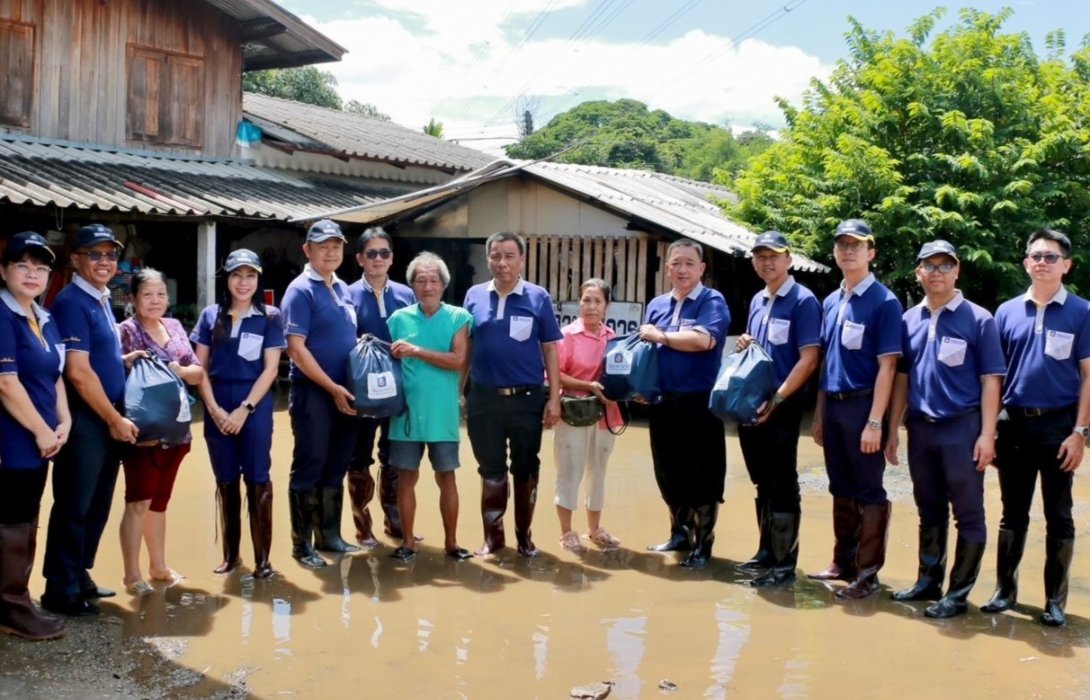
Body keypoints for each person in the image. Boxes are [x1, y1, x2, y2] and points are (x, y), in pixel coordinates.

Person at [885, 241, 1005, 618]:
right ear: (918, 272)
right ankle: (928, 582)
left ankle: (957, 594)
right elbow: (902, 379)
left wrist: (987, 434)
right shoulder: (909, 319)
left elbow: (991, 380)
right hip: (921, 427)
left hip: (962, 427)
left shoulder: (980, 319)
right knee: (928, 507)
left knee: (968, 513)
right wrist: (892, 429)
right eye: (929, 266)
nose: (937, 272)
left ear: (957, 272)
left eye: (944, 265)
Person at [983, 228, 1090, 627]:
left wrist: (1080, 433)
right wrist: (989, 429)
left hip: (1060, 426)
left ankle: (1054, 600)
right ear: (1026, 263)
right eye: (1036, 256)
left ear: (1067, 265)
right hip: (1013, 425)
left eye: (1051, 256)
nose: (1042, 262)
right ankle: (1004, 590)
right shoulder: (1007, 312)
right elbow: (994, 376)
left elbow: (1088, 375)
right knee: (1012, 514)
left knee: (1059, 514)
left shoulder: (1082, 312)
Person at [43, 224, 140, 617]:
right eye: (95, 254)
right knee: (74, 503)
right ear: (76, 260)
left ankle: (78, 572)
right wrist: (114, 418)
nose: (104, 262)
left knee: (98, 502)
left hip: (107, 417)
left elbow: (100, 360)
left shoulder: (101, 300)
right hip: (87, 420)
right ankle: (59, 589)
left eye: (110, 255)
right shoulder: (71, 303)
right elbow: (79, 373)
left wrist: (123, 363)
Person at [809, 219, 903, 599]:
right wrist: (818, 415)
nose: (848, 251)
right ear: (835, 252)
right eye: (842, 245)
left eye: (856, 245)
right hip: (833, 407)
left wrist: (876, 422)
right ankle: (841, 562)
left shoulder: (884, 301)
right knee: (840, 486)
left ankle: (867, 575)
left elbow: (888, 366)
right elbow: (825, 362)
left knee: (869, 490)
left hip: (864, 407)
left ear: (871, 253)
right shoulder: (832, 301)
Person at [463, 231, 562, 557]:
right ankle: (493, 539)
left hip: (526, 399)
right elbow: (467, 347)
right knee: (490, 469)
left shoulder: (538, 297)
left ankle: (524, 538)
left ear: (522, 260)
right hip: (484, 398)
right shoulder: (474, 296)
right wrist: (458, 392)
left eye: (509, 256)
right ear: (488, 258)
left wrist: (554, 398)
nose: (502, 263)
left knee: (525, 466)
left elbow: (549, 348)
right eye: (495, 255)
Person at [192, 249, 286, 580]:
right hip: (217, 404)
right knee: (226, 478)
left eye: (250, 275)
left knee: (258, 477)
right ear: (226, 279)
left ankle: (263, 560)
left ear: (258, 280)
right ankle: (231, 556)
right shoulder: (210, 316)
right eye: (236, 275)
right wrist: (215, 411)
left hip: (254, 406)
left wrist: (244, 409)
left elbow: (271, 369)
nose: (243, 282)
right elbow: (198, 368)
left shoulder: (270, 316)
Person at [734, 231, 821, 586]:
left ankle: (784, 565)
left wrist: (779, 399)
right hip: (752, 402)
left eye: (774, 256)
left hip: (783, 404)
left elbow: (809, 358)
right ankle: (766, 552)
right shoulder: (757, 300)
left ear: (788, 260)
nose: (766, 262)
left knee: (783, 480)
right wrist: (745, 341)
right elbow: (756, 349)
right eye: (760, 257)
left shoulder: (803, 300)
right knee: (761, 480)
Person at [639, 239, 730, 568]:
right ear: (667, 268)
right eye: (675, 263)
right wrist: (640, 387)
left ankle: (703, 546)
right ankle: (679, 534)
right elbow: (646, 353)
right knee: (668, 471)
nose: (682, 269)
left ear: (702, 269)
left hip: (700, 403)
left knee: (703, 475)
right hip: (663, 403)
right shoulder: (657, 305)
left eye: (689, 263)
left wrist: (662, 336)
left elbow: (705, 340)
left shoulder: (711, 301)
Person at [117, 269, 204, 594]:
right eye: (147, 295)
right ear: (133, 299)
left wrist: (181, 370)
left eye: (161, 294)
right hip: (144, 435)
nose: (155, 301)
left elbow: (197, 372)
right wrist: (125, 361)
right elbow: (109, 371)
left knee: (160, 503)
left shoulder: (176, 327)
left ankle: (159, 566)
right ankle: (131, 576)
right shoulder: (125, 331)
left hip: (178, 433)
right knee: (137, 502)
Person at [282, 219, 361, 569]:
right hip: (315, 393)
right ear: (307, 250)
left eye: (336, 245)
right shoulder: (300, 290)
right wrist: (331, 388)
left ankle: (330, 536)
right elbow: (296, 349)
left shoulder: (342, 287)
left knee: (337, 464)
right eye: (323, 245)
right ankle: (303, 546)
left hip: (346, 392)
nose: (331, 251)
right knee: (308, 466)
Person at [0, 233, 68, 640]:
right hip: (13, 438)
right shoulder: (3, 315)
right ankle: (10, 607)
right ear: (4, 271)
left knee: (26, 519)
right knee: (11, 521)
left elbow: (54, 374)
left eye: (41, 268)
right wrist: (43, 430)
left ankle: (18, 598)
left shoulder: (43, 317)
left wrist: (64, 422)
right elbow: (6, 384)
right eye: (23, 265)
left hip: (42, 438)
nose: (33, 274)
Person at [386, 252, 473, 561]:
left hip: (443, 413)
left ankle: (451, 543)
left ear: (443, 284)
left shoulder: (459, 317)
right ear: (412, 285)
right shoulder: (397, 320)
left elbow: (458, 360)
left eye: (433, 280)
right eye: (420, 281)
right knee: (406, 478)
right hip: (405, 413)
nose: (427, 287)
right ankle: (408, 542)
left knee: (446, 477)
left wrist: (416, 351)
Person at [346, 227, 416, 548]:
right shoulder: (346, 295)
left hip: (397, 391)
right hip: (362, 392)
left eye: (383, 253)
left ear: (392, 258)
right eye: (371, 253)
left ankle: (395, 521)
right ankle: (363, 526)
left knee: (393, 455)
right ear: (360, 259)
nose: (378, 259)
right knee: (359, 457)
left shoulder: (405, 295)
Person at [553, 278, 623, 553]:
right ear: (578, 303)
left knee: (599, 473)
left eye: (597, 301)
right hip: (574, 413)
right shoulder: (566, 335)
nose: (591, 306)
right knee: (569, 471)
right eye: (586, 300)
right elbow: (555, 375)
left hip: (606, 415)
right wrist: (587, 386)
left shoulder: (613, 338)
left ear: (607, 306)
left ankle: (594, 529)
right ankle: (567, 532)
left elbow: (620, 376)